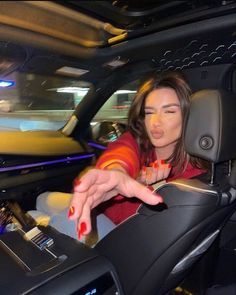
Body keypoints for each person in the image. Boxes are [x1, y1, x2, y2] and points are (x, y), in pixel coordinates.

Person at [32, 71, 209, 243]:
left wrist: (153, 188)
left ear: (187, 116)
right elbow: (121, 153)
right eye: (149, 112)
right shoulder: (138, 141)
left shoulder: (194, 178)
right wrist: (119, 172)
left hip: (120, 236)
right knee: (42, 199)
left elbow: (150, 233)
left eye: (169, 111)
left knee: (43, 218)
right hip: (101, 211)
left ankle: (41, 225)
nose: (155, 121)